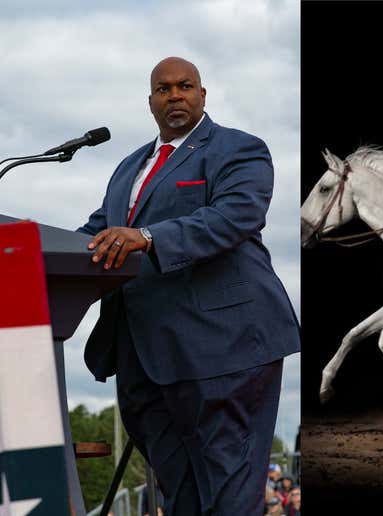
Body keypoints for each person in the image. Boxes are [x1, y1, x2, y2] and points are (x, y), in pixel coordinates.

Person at [78, 57, 300, 515]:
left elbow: (234, 215)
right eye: (163, 89)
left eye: (184, 86)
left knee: (229, 495)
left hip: (225, 350)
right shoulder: (127, 169)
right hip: (145, 361)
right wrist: (27, 247)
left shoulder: (239, 150)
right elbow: (98, 234)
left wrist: (149, 236)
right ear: (150, 102)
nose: (174, 95)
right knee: (181, 496)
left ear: (202, 94)